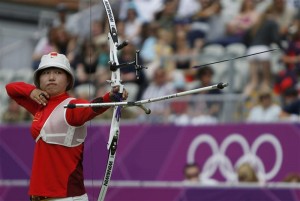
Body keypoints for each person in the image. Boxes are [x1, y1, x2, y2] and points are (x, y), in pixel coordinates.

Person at [5, 52, 128, 201]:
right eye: (46, 73)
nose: (51, 77)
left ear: (68, 79)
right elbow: (10, 88)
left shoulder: (71, 106)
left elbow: (91, 107)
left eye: (58, 72)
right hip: (38, 196)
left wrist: (111, 97)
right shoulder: (40, 104)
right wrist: (32, 91)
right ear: (39, 79)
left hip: (66, 197)